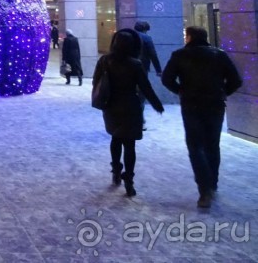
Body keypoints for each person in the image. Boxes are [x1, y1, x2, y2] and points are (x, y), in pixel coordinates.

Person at [162, 26, 243, 208]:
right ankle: (212, 183)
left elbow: (167, 79)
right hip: (215, 104)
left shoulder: (179, 55)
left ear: (190, 37)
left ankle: (204, 189)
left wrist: (180, 91)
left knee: (195, 146)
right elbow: (236, 81)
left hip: (191, 104)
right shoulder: (219, 54)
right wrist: (222, 93)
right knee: (212, 144)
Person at [93, 28, 164, 197]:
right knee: (130, 145)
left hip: (111, 105)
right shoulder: (135, 64)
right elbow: (145, 87)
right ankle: (129, 180)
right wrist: (156, 104)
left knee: (116, 138)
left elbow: (96, 81)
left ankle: (116, 170)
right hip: (130, 105)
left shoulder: (104, 60)